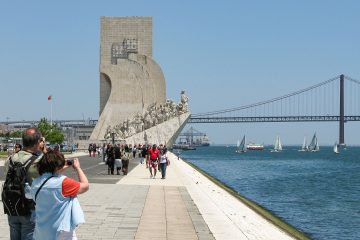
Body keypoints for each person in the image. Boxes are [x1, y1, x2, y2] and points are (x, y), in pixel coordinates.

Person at [31, 149, 89, 239]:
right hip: (60, 233)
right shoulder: (64, 183)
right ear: (57, 166)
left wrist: (58, 169)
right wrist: (78, 168)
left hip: (41, 232)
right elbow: (85, 186)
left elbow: (50, 179)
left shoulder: (35, 183)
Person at [3, 127, 43, 240]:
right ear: (37, 143)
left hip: (11, 205)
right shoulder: (37, 161)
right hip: (28, 207)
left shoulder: (11, 159)